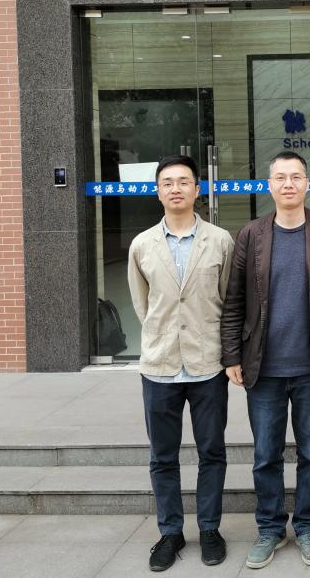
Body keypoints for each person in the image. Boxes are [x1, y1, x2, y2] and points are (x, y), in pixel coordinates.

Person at [220, 151, 310, 569]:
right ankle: (270, 528)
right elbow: (234, 300)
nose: (288, 184)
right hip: (264, 367)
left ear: (308, 183)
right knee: (265, 455)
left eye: (296, 177)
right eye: (280, 177)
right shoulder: (251, 234)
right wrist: (231, 354)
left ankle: (307, 527)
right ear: (269, 184)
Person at [127, 154, 235, 572]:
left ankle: (209, 529)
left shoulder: (220, 241)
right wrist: (165, 335)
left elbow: (226, 300)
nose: (176, 188)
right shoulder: (142, 245)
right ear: (158, 191)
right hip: (160, 366)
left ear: (197, 189)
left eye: (183, 181)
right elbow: (143, 306)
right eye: (167, 182)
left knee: (212, 451)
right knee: (162, 456)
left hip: (208, 364)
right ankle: (170, 532)